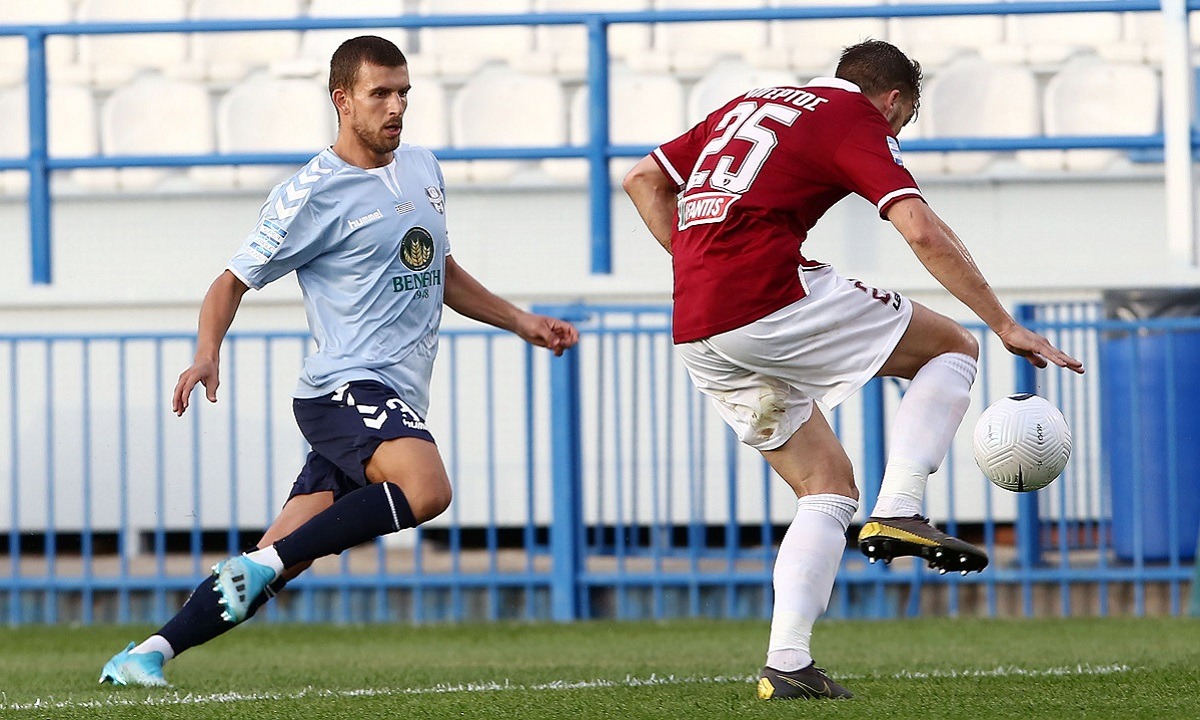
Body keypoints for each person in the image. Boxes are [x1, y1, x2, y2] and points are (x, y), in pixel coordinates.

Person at [99, 35, 579, 687]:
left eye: (404, 92)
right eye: (380, 93)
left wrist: (522, 321)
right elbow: (230, 281)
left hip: (390, 396)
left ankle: (147, 652)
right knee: (427, 489)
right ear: (343, 100)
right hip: (342, 389)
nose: (396, 106)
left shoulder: (423, 167)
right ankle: (262, 567)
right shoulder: (310, 194)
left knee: (281, 556)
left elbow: (438, 268)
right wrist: (206, 353)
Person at [622, 39, 1084, 700]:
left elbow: (642, 178)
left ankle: (786, 663)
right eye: (903, 122)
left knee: (826, 487)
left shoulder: (747, 102)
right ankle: (902, 508)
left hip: (699, 323)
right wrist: (1005, 322)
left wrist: (701, 267)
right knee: (954, 346)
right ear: (893, 100)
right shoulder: (853, 118)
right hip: (768, 298)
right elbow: (920, 229)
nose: (896, 134)